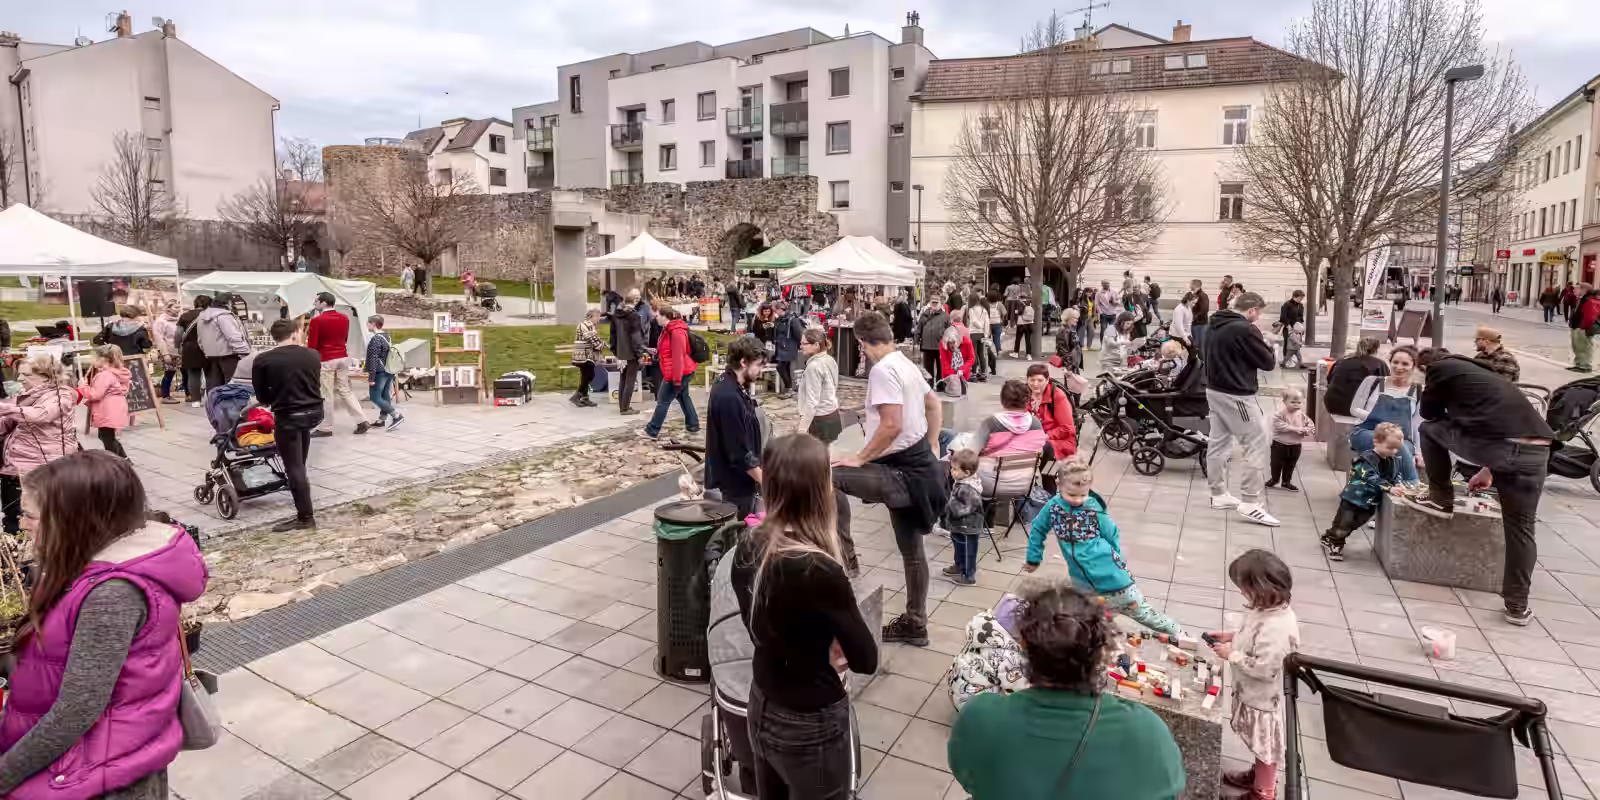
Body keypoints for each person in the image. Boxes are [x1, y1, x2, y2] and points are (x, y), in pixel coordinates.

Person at [0, 451, 207, 798]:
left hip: (99, 775)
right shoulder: (84, 567)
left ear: (74, 520)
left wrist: (6, 773)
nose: (22, 525)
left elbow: (77, 709)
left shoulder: (111, 595)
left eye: (30, 516)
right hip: (94, 759)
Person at [731, 434, 878, 800]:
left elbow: (763, 626)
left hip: (762, 699)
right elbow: (865, 658)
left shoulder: (749, 545)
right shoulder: (819, 569)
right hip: (809, 718)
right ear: (819, 490)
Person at [948, 583, 1186, 800]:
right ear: (1102, 652)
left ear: (1023, 646)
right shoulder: (1148, 731)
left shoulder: (981, 718)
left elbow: (969, 779)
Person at [1405, 349, 1554, 625]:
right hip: (1536, 453)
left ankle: (1440, 497)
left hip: (1503, 449)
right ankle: (1517, 607)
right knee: (1522, 529)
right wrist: (1488, 470)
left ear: (1425, 367)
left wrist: (1434, 390)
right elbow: (1501, 424)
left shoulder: (1440, 368)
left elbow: (1429, 413)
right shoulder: (1487, 375)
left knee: (1429, 430)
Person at [832, 311, 946, 646]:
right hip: (920, 467)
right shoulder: (906, 362)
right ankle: (916, 623)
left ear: (861, 342)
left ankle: (844, 558)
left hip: (900, 472)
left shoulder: (882, 369)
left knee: (830, 476)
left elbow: (892, 424)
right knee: (913, 553)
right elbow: (934, 404)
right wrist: (932, 445)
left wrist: (859, 457)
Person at [1024, 459, 1179, 635]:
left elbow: (1111, 534)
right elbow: (1037, 529)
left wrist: (1116, 558)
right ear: (1058, 484)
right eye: (1072, 495)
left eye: (1083, 495)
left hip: (1115, 583)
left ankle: (1180, 635)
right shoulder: (1052, 508)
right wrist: (1033, 557)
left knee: (1147, 616)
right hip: (1083, 585)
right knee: (1092, 624)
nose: (1078, 500)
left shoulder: (1094, 509)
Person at [1210, 549, 1301, 800]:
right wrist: (1232, 636)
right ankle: (1258, 776)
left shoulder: (1277, 626)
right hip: (1251, 694)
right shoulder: (1265, 610)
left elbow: (1265, 669)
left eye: (1244, 588)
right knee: (1261, 746)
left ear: (1261, 588)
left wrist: (1232, 654)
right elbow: (1251, 633)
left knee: (1266, 749)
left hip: (1262, 700)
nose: (1241, 593)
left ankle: (1263, 793)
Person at [1203, 291, 1280, 527]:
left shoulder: (1214, 323)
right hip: (1237, 396)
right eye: (1260, 313)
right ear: (1253, 310)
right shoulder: (1245, 329)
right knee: (1257, 443)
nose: (1259, 318)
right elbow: (1267, 363)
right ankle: (1250, 502)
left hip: (1214, 390)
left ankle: (1218, 493)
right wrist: (1270, 344)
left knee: (1218, 441)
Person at [253, 318, 325, 532]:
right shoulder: (313, 354)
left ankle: (305, 517)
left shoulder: (263, 359)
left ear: (274, 337)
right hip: (313, 412)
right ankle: (301, 498)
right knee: (298, 464)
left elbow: (263, 396)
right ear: (294, 333)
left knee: (294, 467)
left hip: (289, 415)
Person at [0, 355, 80, 534]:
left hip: (42, 469)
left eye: (26, 375)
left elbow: (42, 414)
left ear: (47, 376)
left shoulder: (62, 395)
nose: (20, 379)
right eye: (19, 374)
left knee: (40, 521)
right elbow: (9, 422)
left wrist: (5, 408)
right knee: (14, 519)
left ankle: (41, 557)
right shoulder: (26, 396)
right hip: (14, 469)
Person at [1320, 422, 1408, 561]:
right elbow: (1370, 476)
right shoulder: (1366, 458)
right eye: (1390, 447)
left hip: (1370, 501)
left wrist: (1397, 483)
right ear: (1376, 441)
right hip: (1353, 498)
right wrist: (1389, 487)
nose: (1393, 451)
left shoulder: (1393, 460)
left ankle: (1330, 536)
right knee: (1344, 522)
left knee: (1356, 523)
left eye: (1396, 449)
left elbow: (1396, 474)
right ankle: (1335, 543)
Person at [706, 335, 768, 518]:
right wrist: (767, 483)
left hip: (740, 481)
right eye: (759, 365)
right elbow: (739, 453)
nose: (761, 371)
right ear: (743, 362)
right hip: (734, 486)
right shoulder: (728, 396)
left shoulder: (734, 385)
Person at [1349, 344, 1423, 485]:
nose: (1398, 367)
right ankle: (1413, 483)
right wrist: (1378, 420)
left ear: (1413, 366)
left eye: (1405, 364)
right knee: (1395, 444)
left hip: (1402, 437)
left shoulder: (1417, 391)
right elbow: (1354, 408)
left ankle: (1393, 489)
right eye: (1395, 362)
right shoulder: (1373, 382)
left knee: (1402, 447)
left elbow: (1417, 424)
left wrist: (1418, 452)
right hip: (1367, 432)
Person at [306, 292, 371, 436]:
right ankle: (362, 420)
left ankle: (326, 427)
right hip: (342, 357)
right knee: (345, 390)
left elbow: (312, 345)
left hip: (326, 359)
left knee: (326, 393)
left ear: (323, 303)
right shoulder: (344, 318)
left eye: (316, 301)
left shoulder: (317, 321)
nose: (314, 304)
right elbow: (345, 337)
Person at [642, 307, 700, 440]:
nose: (655, 318)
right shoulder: (668, 330)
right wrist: (657, 353)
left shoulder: (677, 332)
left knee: (663, 400)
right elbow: (668, 350)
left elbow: (678, 357)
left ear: (665, 317)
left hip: (678, 372)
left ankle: (652, 430)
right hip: (678, 370)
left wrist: (677, 380)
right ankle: (693, 424)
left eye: (657, 316)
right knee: (684, 396)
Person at [1025, 364, 1077, 492]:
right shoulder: (1025, 394)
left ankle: (1051, 500)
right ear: (1027, 380)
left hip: (1060, 444)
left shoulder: (1057, 395)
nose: (1035, 384)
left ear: (1047, 380)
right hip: (1034, 442)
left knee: (1048, 472)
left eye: (1040, 380)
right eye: (1032, 380)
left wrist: (1046, 435)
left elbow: (1067, 428)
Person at [942, 449, 986, 586]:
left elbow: (963, 509)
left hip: (968, 526)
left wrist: (947, 503)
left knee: (968, 550)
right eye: (952, 469)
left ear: (967, 473)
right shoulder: (961, 482)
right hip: (960, 525)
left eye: (955, 470)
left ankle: (968, 575)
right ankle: (959, 565)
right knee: (958, 545)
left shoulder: (968, 488)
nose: (952, 472)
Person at [80, 344, 132, 459]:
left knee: (107, 438)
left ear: (103, 359)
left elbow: (96, 394)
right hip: (116, 409)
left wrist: (83, 387)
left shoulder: (104, 375)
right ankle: (123, 458)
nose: (92, 361)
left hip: (106, 411)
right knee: (107, 436)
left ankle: (116, 461)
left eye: (95, 358)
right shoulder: (119, 372)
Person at [196, 294, 251, 394]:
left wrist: (206, 351)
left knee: (215, 389)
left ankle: (216, 409)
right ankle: (233, 409)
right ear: (228, 303)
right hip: (229, 356)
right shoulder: (224, 316)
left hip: (211, 357)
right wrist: (245, 353)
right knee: (233, 388)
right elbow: (233, 337)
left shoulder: (201, 317)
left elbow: (200, 340)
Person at [1322, 336, 1389, 416]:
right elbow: (1383, 388)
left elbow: (1330, 380)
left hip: (1333, 405)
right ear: (1376, 349)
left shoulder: (1342, 361)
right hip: (1358, 409)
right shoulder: (1380, 364)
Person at [796, 328, 841, 444]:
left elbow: (812, 402)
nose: (801, 346)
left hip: (820, 420)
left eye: (804, 343)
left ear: (816, 345)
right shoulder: (829, 359)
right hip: (832, 415)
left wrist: (802, 429)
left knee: (819, 459)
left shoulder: (814, 367)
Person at [1266, 387, 1314, 492]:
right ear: (1284, 401)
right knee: (1276, 463)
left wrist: (1307, 430)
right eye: (1293, 402)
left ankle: (1286, 481)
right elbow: (1279, 426)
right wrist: (1296, 429)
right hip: (1280, 444)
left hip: (1296, 444)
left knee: (1291, 464)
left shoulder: (1302, 415)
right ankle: (1274, 479)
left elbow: (1310, 424)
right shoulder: (1280, 414)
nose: (1296, 404)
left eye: (1299, 402)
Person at [365, 315, 403, 430]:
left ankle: (396, 415)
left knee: (375, 397)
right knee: (385, 395)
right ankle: (381, 419)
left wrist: (371, 378)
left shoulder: (375, 339)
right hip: (388, 370)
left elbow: (373, 359)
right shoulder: (386, 336)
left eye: (368, 323)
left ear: (374, 324)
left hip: (379, 372)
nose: (367, 325)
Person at [613, 289, 648, 416]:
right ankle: (625, 408)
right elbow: (636, 337)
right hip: (631, 352)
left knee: (623, 378)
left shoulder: (616, 315)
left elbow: (613, 335)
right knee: (630, 380)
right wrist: (639, 353)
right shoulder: (634, 316)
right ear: (635, 301)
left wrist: (616, 351)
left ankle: (622, 405)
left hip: (620, 351)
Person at [177, 297, 210, 407]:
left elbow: (178, 334)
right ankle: (210, 399)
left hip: (189, 348)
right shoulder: (210, 315)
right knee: (210, 374)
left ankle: (196, 400)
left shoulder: (185, 316)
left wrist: (178, 347)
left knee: (193, 374)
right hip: (208, 347)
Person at [152, 302, 183, 404]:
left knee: (185, 372)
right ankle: (165, 396)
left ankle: (188, 393)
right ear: (169, 309)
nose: (178, 309)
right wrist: (165, 353)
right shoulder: (161, 321)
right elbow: (159, 338)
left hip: (180, 351)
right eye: (176, 307)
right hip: (169, 351)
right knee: (169, 373)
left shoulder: (179, 320)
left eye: (179, 307)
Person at [939, 308, 975, 395]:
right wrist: (952, 375)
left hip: (963, 375)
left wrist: (962, 370)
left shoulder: (966, 342)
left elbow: (971, 359)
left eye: (953, 342)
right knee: (949, 396)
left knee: (962, 395)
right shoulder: (943, 344)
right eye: (949, 343)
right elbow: (945, 362)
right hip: (949, 376)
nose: (951, 345)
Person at [772, 302, 804, 398]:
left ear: (780, 309)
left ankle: (789, 388)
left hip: (789, 346)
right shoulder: (779, 319)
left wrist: (800, 345)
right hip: (781, 346)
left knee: (781, 366)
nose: (775, 313)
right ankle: (789, 389)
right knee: (785, 367)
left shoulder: (792, 320)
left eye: (775, 311)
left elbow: (799, 333)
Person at [1569, 283, 1600, 373]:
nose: (1575, 290)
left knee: (1583, 347)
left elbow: (1589, 316)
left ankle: (1584, 366)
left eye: (1577, 289)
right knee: (1577, 347)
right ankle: (1578, 364)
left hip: (1582, 327)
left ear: (1584, 290)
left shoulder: (1588, 300)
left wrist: (1584, 327)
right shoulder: (1581, 299)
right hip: (1577, 326)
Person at [916, 298, 949, 379]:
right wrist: (916, 342)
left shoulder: (945, 316)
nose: (934, 304)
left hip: (940, 346)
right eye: (933, 302)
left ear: (940, 304)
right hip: (927, 346)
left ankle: (940, 385)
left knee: (941, 367)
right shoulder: (924, 314)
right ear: (930, 303)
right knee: (928, 368)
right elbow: (919, 329)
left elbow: (949, 330)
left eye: (936, 302)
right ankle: (929, 385)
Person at [1276, 290, 1305, 366]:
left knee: (1295, 344)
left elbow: (1301, 316)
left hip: (1297, 327)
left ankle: (1291, 360)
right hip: (1288, 327)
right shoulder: (1287, 305)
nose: (1301, 300)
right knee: (1287, 343)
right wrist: (1288, 325)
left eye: (1302, 299)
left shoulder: (1300, 305)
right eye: (1299, 298)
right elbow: (1283, 316)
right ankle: (1286, 359)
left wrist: (1301, 325)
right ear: (1294, 297)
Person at [966, 297, 991, 382]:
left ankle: (973, 373)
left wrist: (979, 326)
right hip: (982, 334)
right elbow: (987, 322)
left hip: (973, 333)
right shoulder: (984, 310)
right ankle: (983, 373)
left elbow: (973, 321)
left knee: (973, 353)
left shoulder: (971, 309)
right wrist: (986, 334)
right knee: (981, 353)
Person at [1055, 308, 1082, 373]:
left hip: (1074, 363)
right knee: (1072, 381)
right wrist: (1069, 366)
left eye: (1077, 318)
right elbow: (1063, 350)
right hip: (1070, 364)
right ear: (1068, 318)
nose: (1077, 320)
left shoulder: (1070, 329)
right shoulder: (1064, 331)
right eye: (1074, 318)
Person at [1190, 278, 1212, 350]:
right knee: (1196, 342)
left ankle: (1202, 359)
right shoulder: (1195, 294)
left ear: (1195, 285)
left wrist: (1194, 317)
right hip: (1196, 323)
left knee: (1200, 344)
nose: (1189, 285)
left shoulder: (1202, 295)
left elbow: (1205, 309)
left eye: (1191, 284)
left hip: (1200, 323)